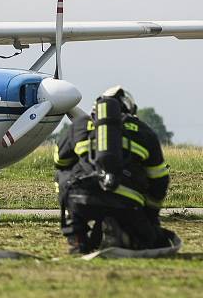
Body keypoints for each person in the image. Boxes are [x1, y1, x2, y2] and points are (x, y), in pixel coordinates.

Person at [54, 86, 170, 253]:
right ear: (128, 107)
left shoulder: (79, 125)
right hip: (127, 202)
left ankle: (77, 236)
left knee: (62, 173)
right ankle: (128, 235)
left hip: (81, 198)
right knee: (150, 240)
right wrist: (151, 215)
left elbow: (60, 161)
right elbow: (159, 179)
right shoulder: (144, 131)